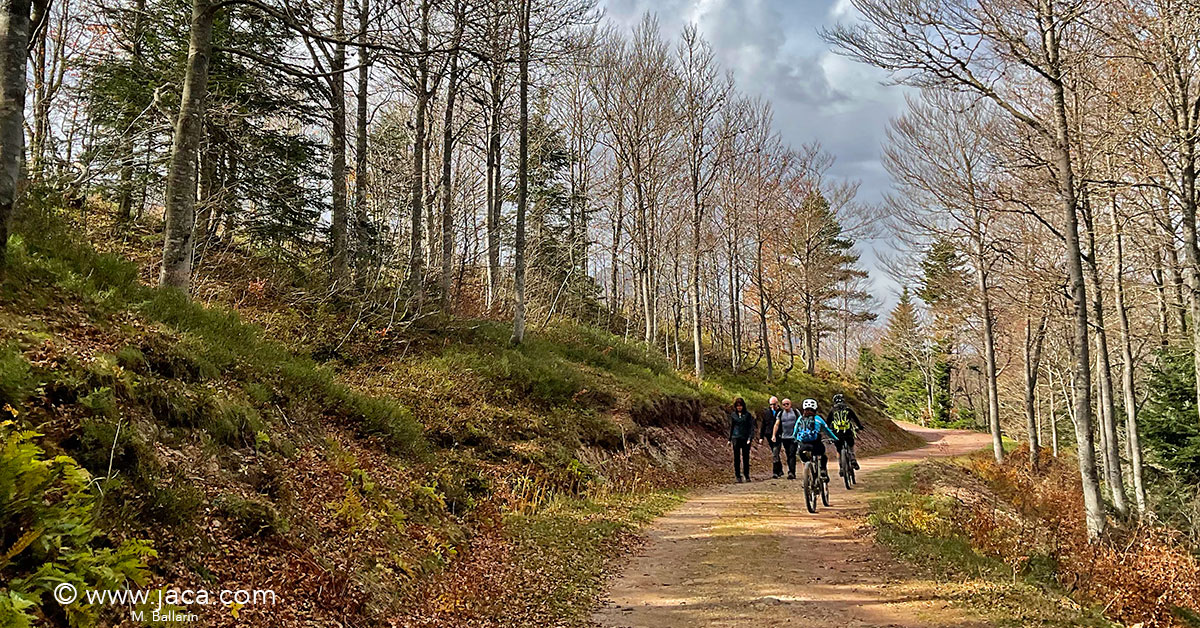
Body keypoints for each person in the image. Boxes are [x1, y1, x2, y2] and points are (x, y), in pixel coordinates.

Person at [793, 398, 839, 482]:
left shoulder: (800, 419)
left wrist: (796, 440)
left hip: (804, 445)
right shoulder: (818, 419)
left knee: (804, 458)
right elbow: (827, 430)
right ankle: (823, 470)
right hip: (816, 445)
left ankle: (807, 476)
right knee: (823, 456)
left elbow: (795, 432)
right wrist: (835, 438)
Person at [829, 393, 865, 471]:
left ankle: (841, 467)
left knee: (838, 450)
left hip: (837, 434)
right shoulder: (848, 409)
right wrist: (860, 427)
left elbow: (828, 423)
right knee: (851, 446)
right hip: (848, 432)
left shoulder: (832, 411)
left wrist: (829, 432)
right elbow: (856, 419)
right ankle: (852, 459)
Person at [773, 398, 802, 479]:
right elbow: (777, 424)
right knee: (788, 454)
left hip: (794, 437)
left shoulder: (796, 412)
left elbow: (801, 422)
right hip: (785, 437)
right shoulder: (781, 413)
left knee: (792, 454)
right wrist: (774, 435)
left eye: (787, 404)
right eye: (784, 404)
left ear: (790, 404)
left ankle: (791, 472)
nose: (786, 406)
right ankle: (790, 470)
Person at [728, 398, 755, 483]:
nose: (739, 407)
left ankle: (746, 475)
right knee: (736, 457)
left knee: (746, 457)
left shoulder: (748, 415)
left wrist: (750, 438)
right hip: (736, 438)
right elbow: (732, 427)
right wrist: (729, 439)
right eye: (737, 406)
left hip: (745, 438)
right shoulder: (733, 415)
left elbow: (751, 427)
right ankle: (737, 475)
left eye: (740, 406)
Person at [759, 396, 782, 478]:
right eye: (771, 404)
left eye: (774, 404)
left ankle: (775, 472)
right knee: (774, 452)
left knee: (775, 452)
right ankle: (780, 469)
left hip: (779, 435)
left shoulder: (781, 412)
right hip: (769, 435)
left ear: (777, 403)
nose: (773, 406)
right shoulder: (767, 413)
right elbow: (763, 425)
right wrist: (761, 437)